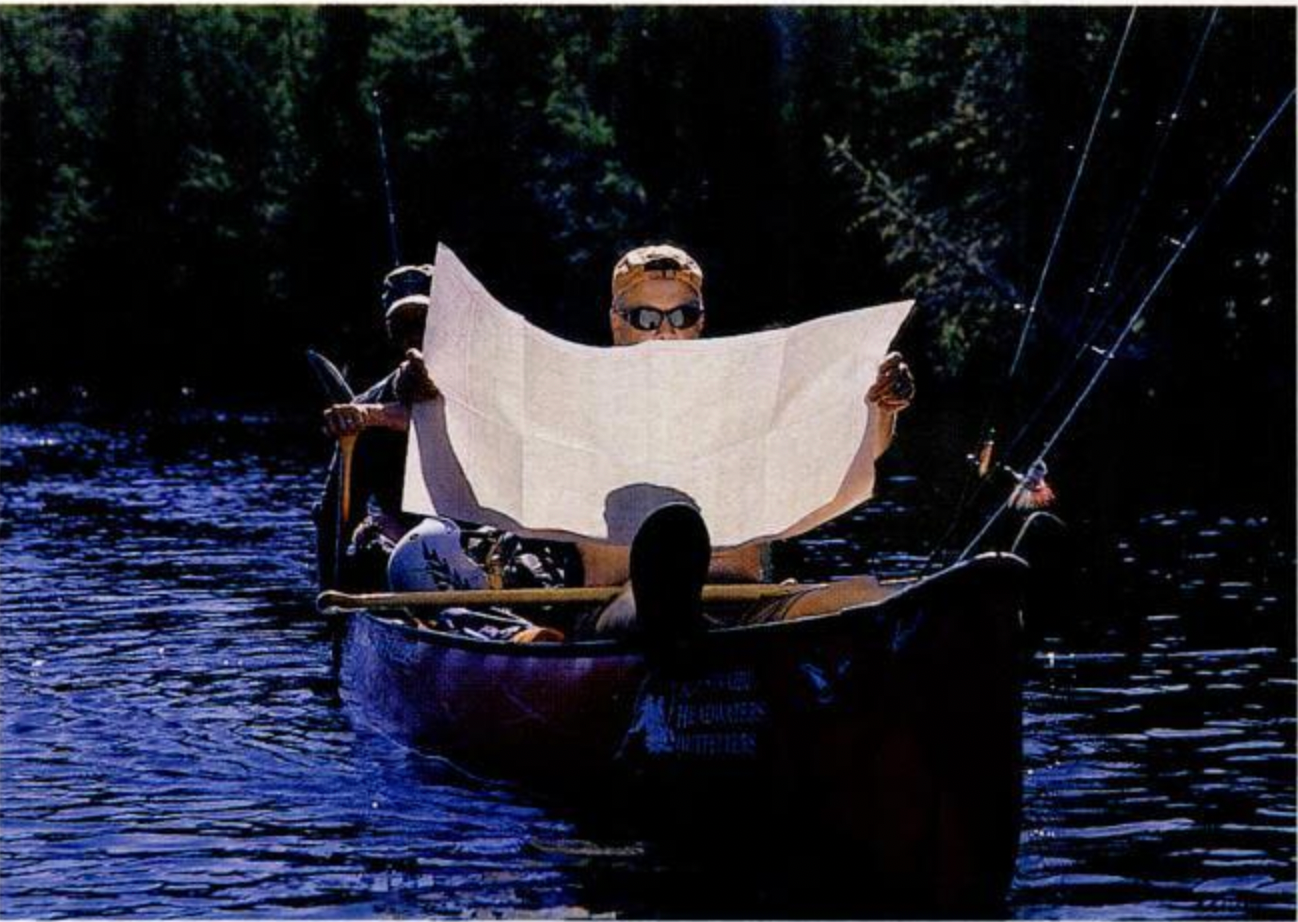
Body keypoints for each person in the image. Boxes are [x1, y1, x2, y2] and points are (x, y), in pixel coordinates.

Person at [575, 244, 914, 636]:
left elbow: (853, 453)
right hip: (623, 610)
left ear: (700, 322)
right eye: (646, 317)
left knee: (872, 595)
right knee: (650, 601)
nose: (666, 332)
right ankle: (673, 617)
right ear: (618, 323)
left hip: (748, 611)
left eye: (682, 316)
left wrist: (883, 405)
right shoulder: (581, 408)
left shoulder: (744, 403)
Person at [320, 264, 439, 589]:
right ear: (391, 333)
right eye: (405, 327)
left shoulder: (489, 390)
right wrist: (332, 598)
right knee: (369, 543)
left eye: (425, 323)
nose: (416, 336)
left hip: (490, 539)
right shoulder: (363, 408)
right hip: (411, 544)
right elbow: (335, 516)